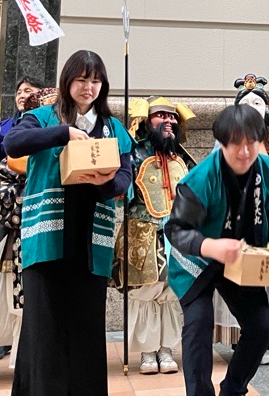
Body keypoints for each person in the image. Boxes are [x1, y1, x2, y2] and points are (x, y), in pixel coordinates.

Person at [4, 50, 133, 396]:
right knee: (43, 333)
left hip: (91, 247)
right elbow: (12, 143)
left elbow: (125, 179)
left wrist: (101, 182)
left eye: (95, 80)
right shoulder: (43, 118)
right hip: (47, 244)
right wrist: (64, 134)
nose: (88, 87)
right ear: (67, 81)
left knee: (87, 334)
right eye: (81, 79)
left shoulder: (114, 128)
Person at [165, 103, 269, 396]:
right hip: (195, 263)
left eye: (252, 143)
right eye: (236, 143)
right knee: (198, 327)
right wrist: (210, 245)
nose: (245, 152)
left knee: (260, 327)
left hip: (241, 261)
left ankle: (233, 390)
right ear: (221, 143)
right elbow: (175, 230)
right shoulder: (199, 179)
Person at [214, 74, 269, 363]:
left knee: (266, 277)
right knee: (237, 280)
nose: (253, 107)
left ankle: (266, 340)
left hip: (268, 221)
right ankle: (239, 340)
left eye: (258, 102)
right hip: (235, 224)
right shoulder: (224, 141)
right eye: (247, 103)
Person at [114, 95, 194, 375]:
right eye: (162, 115)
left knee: (172, 292)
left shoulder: (182, 157)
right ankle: (148, 352)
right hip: (141, 232)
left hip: (175, 235)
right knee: (146, 291)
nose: (169, 121)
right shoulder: (132, 154)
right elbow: (118, 191)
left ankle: (167, 349)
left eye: (173, 117)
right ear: (146, 121)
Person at [0, 75, 43, 363]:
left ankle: (30, 334)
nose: (22, 95)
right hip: (7, 213)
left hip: (40, 209)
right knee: (3, 273)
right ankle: (0, 338)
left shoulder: (47, 123)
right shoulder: (4, 126)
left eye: (29, 91)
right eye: (19, 91)